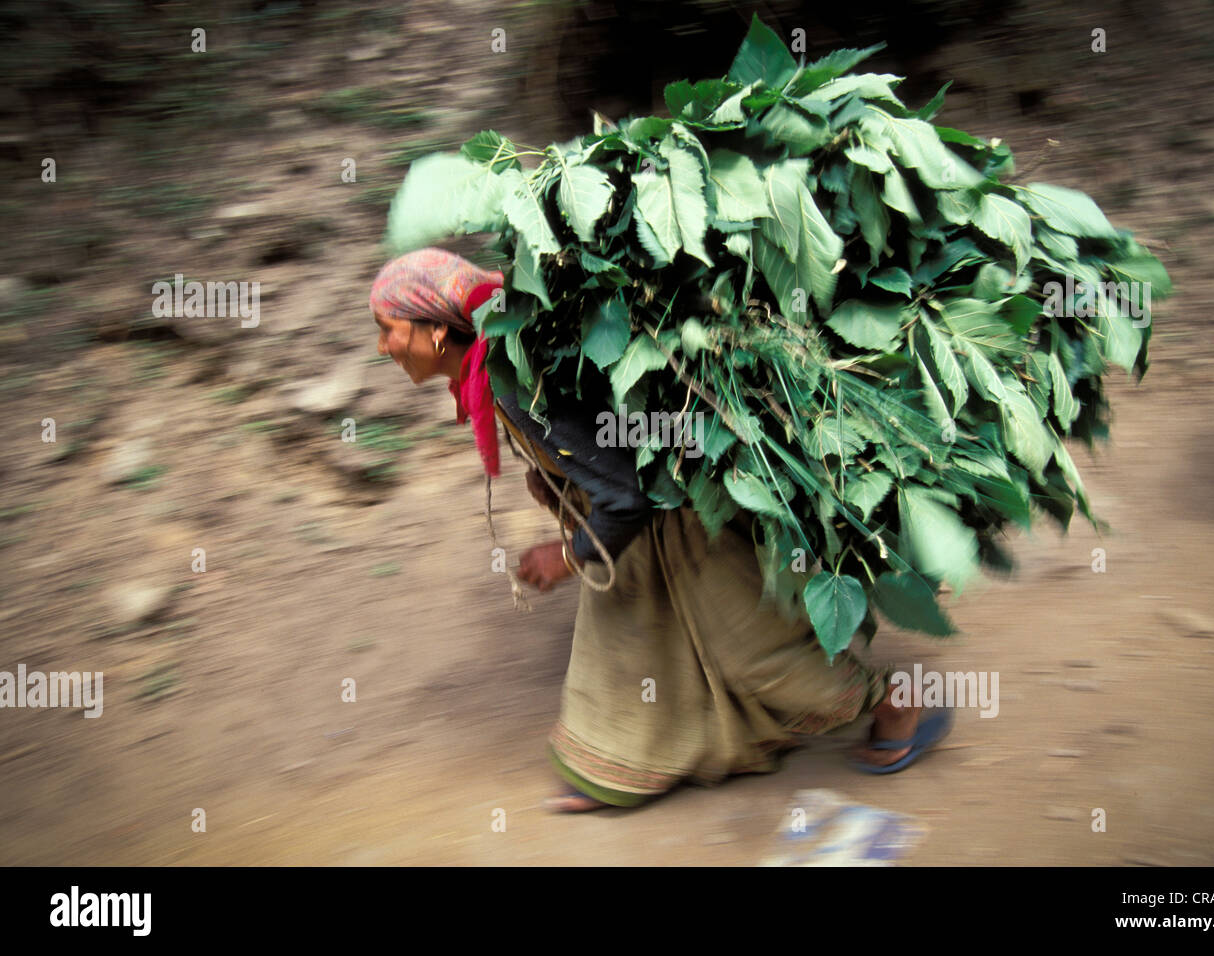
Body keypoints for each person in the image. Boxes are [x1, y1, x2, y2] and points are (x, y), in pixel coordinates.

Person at [369, 247, 950, 813]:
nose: (381, 345)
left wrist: (566, 556)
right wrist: (554, 479)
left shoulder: (512, 380)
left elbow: (624, 492)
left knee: (753, 651)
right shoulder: (493, 368)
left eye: (387, 328)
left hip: (680, 522)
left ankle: (898, 702)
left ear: (436, 330)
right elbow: (595, 444)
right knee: (630, 645)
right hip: (643, 534)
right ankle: (619, 764)